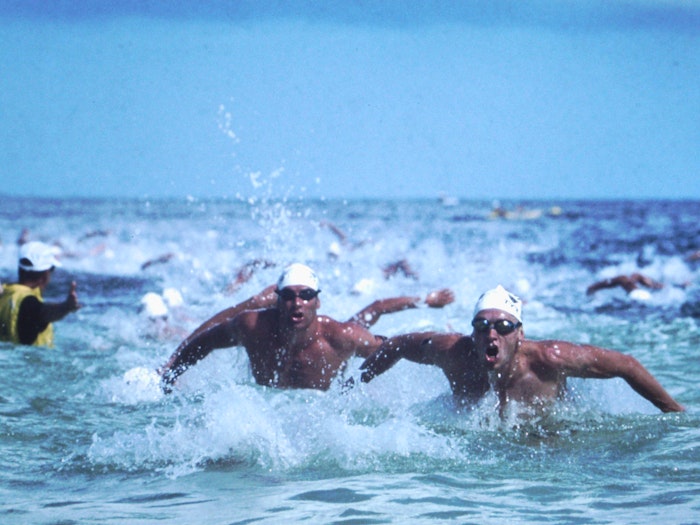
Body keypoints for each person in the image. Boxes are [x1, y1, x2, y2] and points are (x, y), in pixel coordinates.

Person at [359, 285, 684, 414]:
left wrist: (674, 413)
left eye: (503, 327)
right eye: (482, 326)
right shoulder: (452, 351)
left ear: (520, 335)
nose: (492, 334)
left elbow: (626, 364)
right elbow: (397, 345)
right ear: (472, 332)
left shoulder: (549, 359)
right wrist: (355, 384)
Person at [158, 263, 454, 392]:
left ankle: (424, 299)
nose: (296, 303)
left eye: (306, 296)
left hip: (333, 361)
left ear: (317, 301)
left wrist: (451, 355)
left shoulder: (340, 337)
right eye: (288, 296)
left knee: (368, 314)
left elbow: (394, 349)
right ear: (277, 301)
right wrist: (173, 369)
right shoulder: (253, 325)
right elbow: (208, 338)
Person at [0, 241, 80, 347]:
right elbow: (43, 312)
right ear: (46, 273)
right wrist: (65, 307)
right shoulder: (29, 302)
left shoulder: (5, 292)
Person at [586, 273, 664, 300]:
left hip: (638, 295)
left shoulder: (629, 282)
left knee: (622, 278)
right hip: (647, 297)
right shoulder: (654, 290)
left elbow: (628, 278)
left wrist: (592, 288)